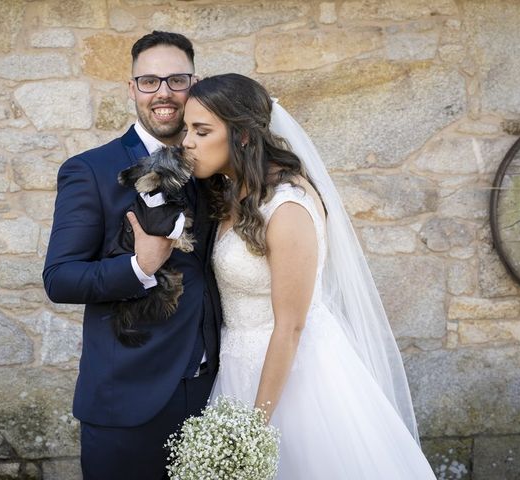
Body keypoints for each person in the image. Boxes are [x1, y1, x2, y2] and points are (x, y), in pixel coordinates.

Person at [181, 73, 436, 479]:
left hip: (292, 379)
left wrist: (251, 430)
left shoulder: (287, 207)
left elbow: (292, 326)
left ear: (243, 135)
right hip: (237, 367)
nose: (187, 141)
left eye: (201, 130)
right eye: (186, 129)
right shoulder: (234, 192)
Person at [42, 31, 222, 480]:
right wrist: (139, 267)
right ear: (132, 89)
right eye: (149, 81)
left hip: (214, 395)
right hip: (127, 402)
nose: (163, 92)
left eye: (176, 79)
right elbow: (60, 278)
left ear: (194, 85)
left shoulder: (217, 166)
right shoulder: (91, 170)